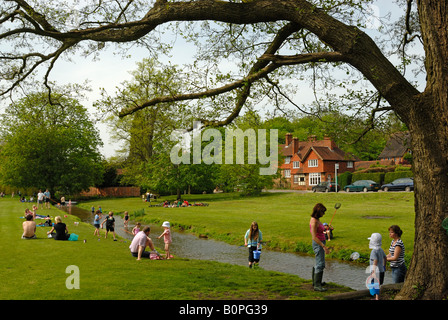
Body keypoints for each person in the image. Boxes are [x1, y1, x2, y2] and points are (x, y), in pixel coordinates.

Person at [309, 203, 330, 291]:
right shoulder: (314, 221)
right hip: (318, 244)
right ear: (318, 211)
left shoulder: (317, 219)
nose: (324, 214)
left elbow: (319, 231)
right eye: (323, 212)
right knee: (320, 264)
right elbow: (314, 237)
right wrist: (323, 246)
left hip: (321, 242)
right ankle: (317, 286)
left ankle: (316, 282)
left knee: (318, 262)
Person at [368, 233, 387, 300]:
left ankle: (377, 298)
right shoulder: (381, 250)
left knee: (375, 284)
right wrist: (384, 266)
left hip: (376, 271)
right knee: (379, 284)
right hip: (381, 270)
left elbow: (375, 261)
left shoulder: (374, 251)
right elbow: (385, 258)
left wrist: (373, 271)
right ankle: (377, 297)